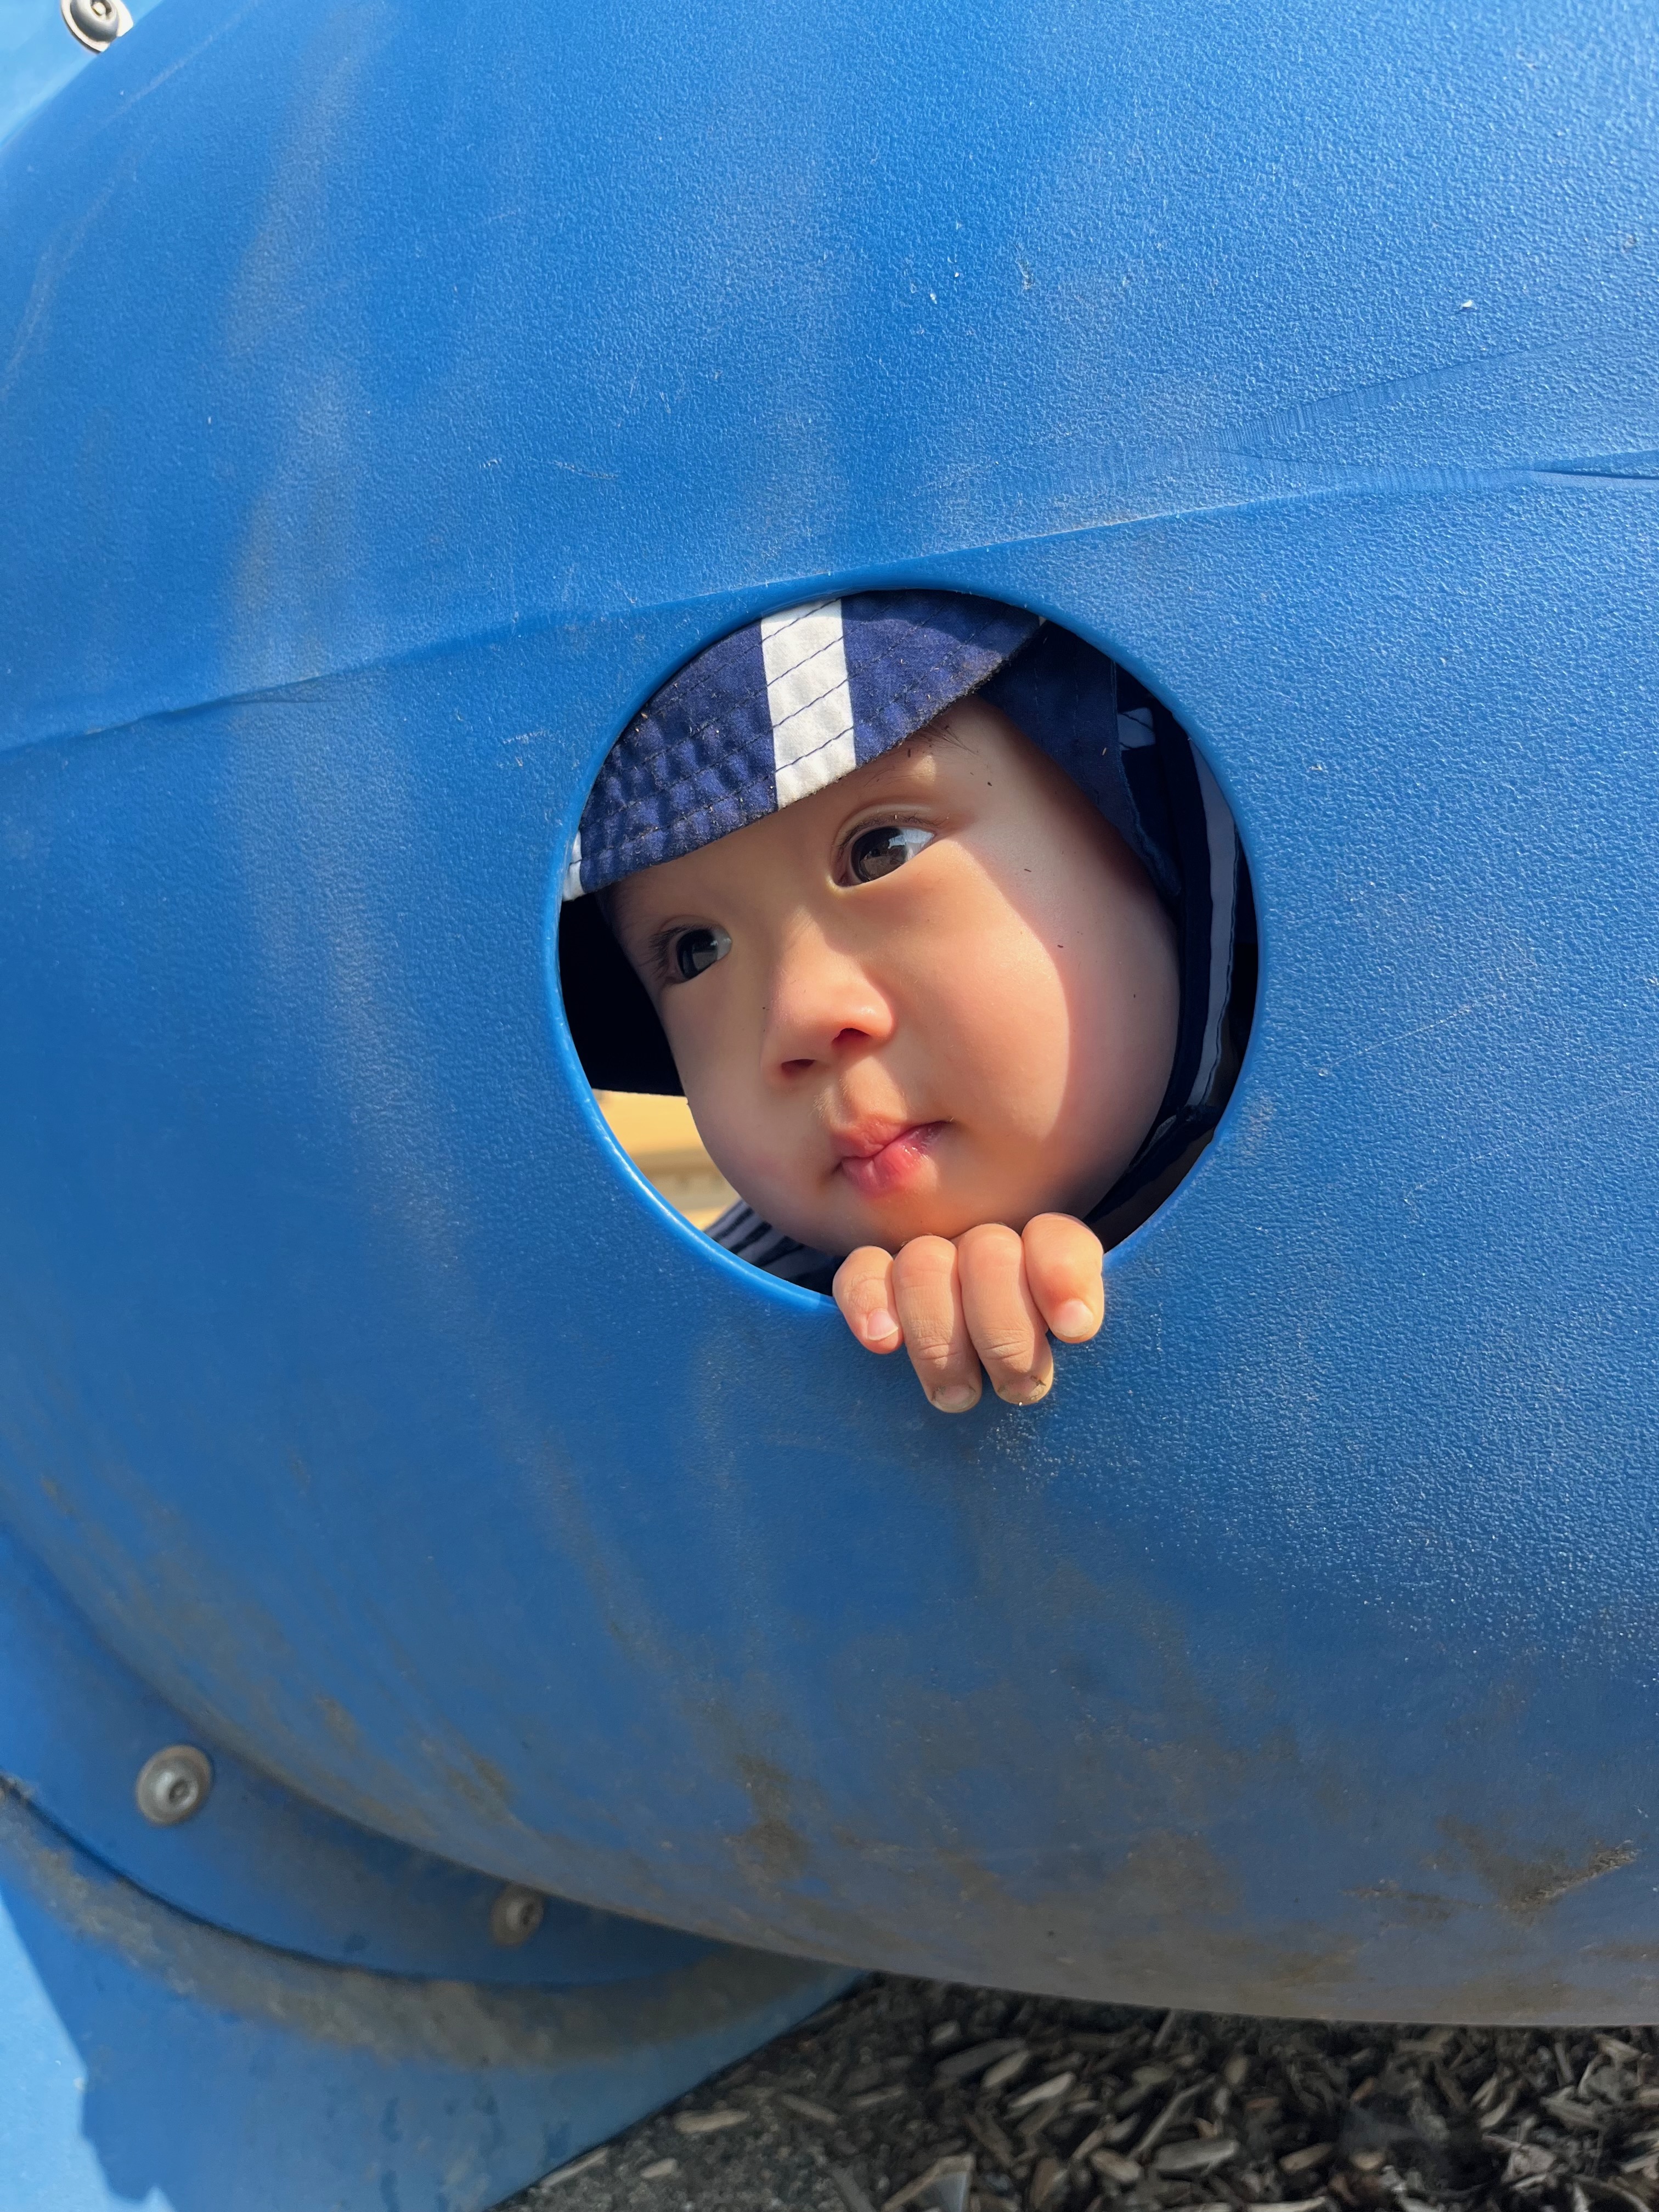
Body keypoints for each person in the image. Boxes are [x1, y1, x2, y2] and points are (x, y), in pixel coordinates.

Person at [560, 592, 1252, 1413]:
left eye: (882, 850)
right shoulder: (708, 1358)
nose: (801, 1014)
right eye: (696, 951)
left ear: (1151, 831)